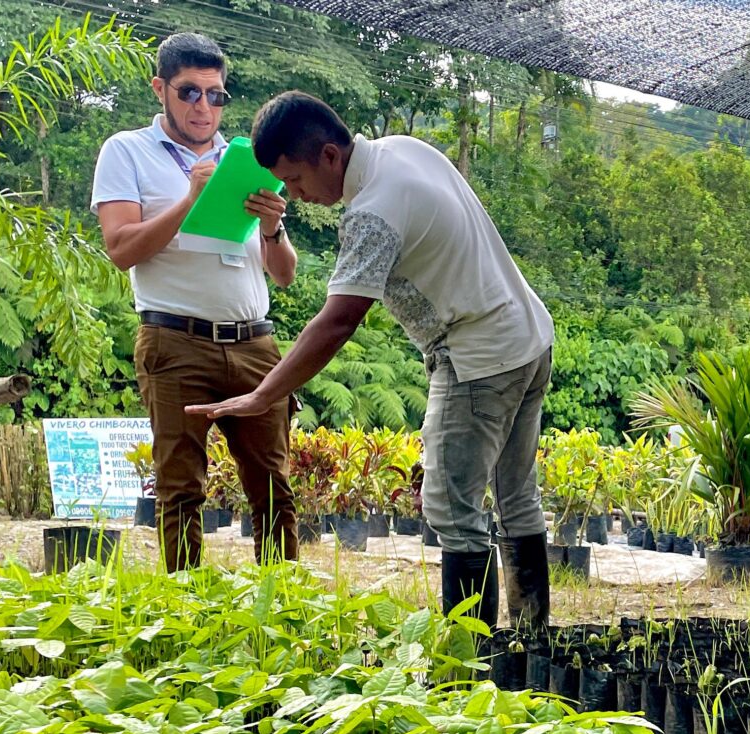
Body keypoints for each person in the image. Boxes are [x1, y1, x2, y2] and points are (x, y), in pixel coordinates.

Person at [185, 92, 555, 633]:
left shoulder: (371, 211)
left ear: (330, 155)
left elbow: (338, 320)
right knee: (516, 496)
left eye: (295, 179)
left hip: (479, 357)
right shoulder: (402, 149)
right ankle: (529, 643)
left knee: (454, 511)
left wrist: (263, 394)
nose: (296, 195)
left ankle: (470, 666)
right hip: (528, 337)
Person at [91, 32, 300, 571]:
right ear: (160, 88)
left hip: (254, 341)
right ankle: (184, 612)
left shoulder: (245, 162)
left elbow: (284, 275)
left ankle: (280, 607)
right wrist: (190, 199)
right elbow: (120, 249)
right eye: (189, 92)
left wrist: (273, 227)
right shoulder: (126, 150)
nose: (203, 107)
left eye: (215, 95)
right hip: (175, 340)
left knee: (274, 487)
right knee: (181, 489)